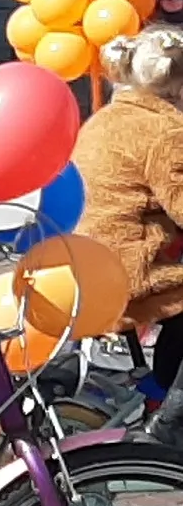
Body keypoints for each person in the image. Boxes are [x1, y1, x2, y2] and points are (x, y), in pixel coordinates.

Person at [70, 25, 183, 448]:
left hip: (86, 258)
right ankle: (170, 422)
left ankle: (161, 390)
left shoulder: (106, 119)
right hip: (129, 269)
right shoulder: (167, 131)